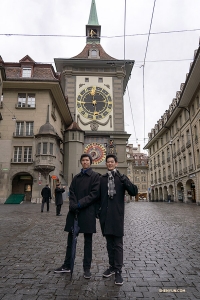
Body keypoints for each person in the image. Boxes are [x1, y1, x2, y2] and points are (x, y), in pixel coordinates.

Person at [54, 153, 100, 279]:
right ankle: (67, 265)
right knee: (70, 240)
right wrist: (74, 204)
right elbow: (72, 192)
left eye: (87, 160)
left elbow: (94, 194)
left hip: (88, 212)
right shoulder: (77, 177)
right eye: (83, 160)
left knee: (88, 242)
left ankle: (87, 268)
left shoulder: (95, 177)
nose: (85, 162)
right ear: (81, 162)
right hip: (74, 213)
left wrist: (80, 204)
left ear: (90, 162)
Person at [98, 154, 138, 285]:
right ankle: (112, 267)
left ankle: (118, 271)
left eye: (112, 162)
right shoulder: (102, 179)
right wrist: (98, 211)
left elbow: (133, 191)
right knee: (109, 244)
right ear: (106, 164)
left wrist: (124, 179)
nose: (110, 164)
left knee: (118, 244)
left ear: (116, 163)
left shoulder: (121, 178)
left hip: (117, 216)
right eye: (108, 162)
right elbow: (97, 197)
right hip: (105, 216)